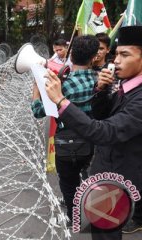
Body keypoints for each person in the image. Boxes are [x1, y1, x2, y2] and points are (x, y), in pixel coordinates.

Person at [45, 25, 142, 240]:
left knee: (106, 235)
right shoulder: (126, 86)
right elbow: (101, 116)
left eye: (125, 55)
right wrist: (100, 90)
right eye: (116, 54)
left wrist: (61, 101)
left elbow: (104, 131)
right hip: (105, 174)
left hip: (119, 182)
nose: (116, 61)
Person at [31, 35, 99, 225]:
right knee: (86, 177)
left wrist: (36, 89)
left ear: (71, 54)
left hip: (66, 145)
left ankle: (74, 217)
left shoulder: (62, 85)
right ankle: (88, 209)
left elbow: (38, 111)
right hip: (91, 141)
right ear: (94, 57)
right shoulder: (100, 80)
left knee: (69, 183)